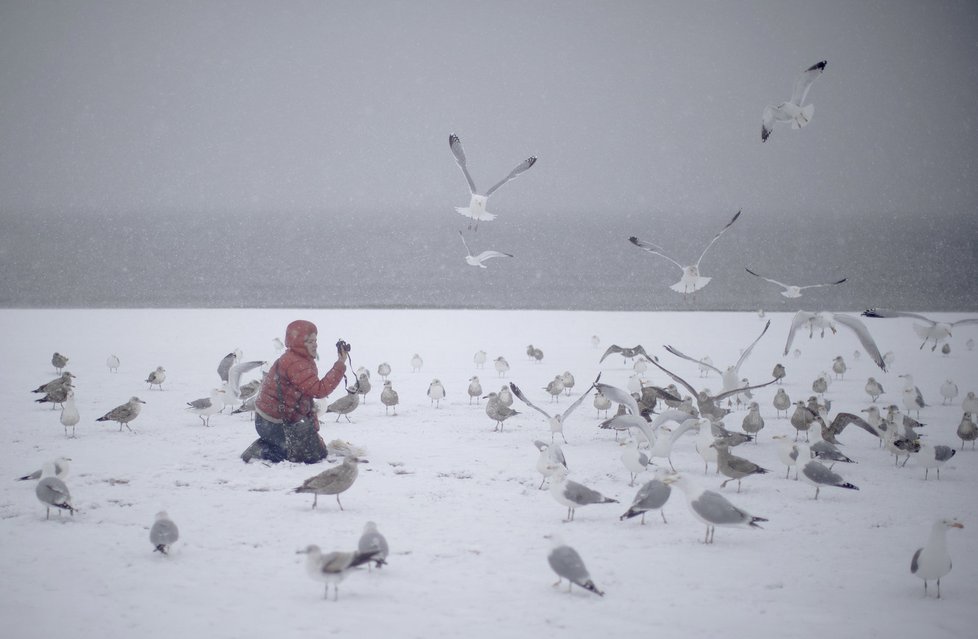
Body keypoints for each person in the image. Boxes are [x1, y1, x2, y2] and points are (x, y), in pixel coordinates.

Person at [241, 320, 348, 463]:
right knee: (301, 456)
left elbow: (305, 397)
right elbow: (319, 390)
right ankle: (262, 450)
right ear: (298, 343)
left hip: (278, 419)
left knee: (318, 453)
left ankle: (273, 443)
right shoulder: (295, 363)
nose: (315, 344)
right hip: (272, 422)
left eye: (315, 340)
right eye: (310, 341)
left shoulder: (299, 358)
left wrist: (312, 431)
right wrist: (340, 364)